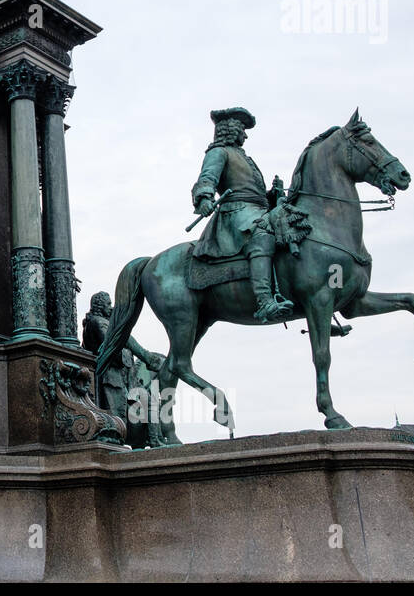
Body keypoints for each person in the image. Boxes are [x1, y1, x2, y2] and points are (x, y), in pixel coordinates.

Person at [190, 107, 292, 323]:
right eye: (242, 130)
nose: (245, 135)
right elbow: (207, 178)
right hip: (236, 213)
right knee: (262, 234)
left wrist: (273, 195)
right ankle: (264, 301)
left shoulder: (244, 157)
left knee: (290, 227)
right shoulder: (218, 152)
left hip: (258, 210)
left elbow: (252, 192)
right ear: (231, 130)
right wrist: (204, 198)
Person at [84, 291, 170, 448]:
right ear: (99, 306)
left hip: (125, 377)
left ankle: (155, 439)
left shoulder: (107, 322)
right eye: (108, 304)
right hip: (111, 377)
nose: (111, 307)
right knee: (122, 414)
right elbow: (113, 344)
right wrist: (133, 351)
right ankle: (150, 439)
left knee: (150, 401)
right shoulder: (98, 322)